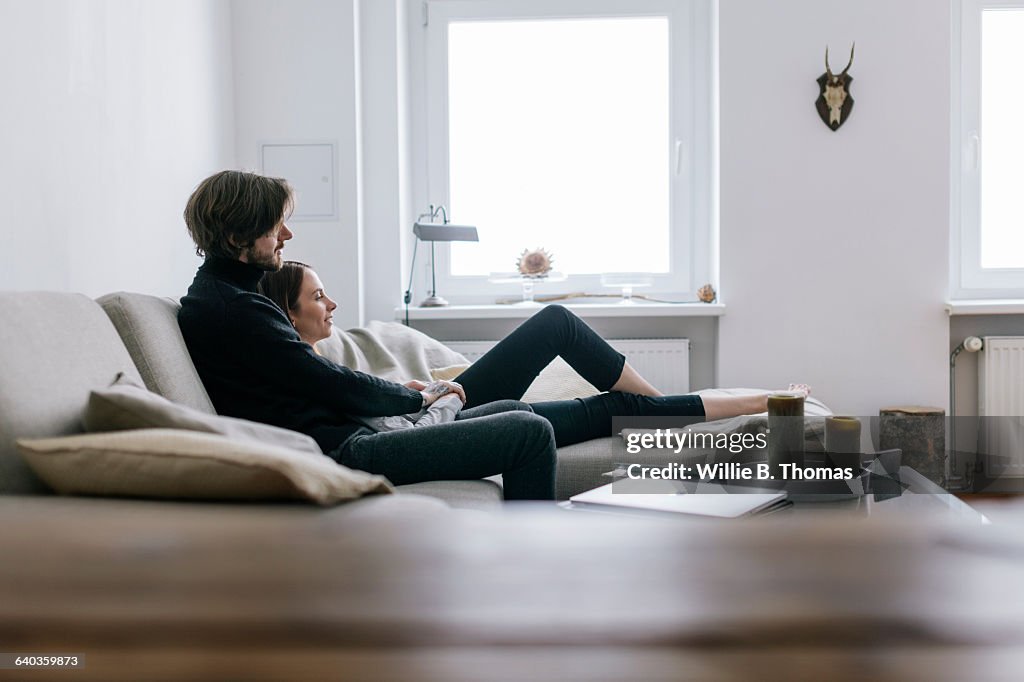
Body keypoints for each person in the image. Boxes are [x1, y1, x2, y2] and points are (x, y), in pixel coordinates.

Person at [178, 170, 796, 501]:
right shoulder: (231, 308)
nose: (286, 238)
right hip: (351, 448)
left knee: (523, 405)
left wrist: (415, 399)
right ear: (241, 231)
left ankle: (664, 409)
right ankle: (524, 565)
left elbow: (314, 375)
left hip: (370, 430)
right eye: (278, 228)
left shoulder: (229, 298)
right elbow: (323, 380)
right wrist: (417, 397)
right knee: (526, 430)